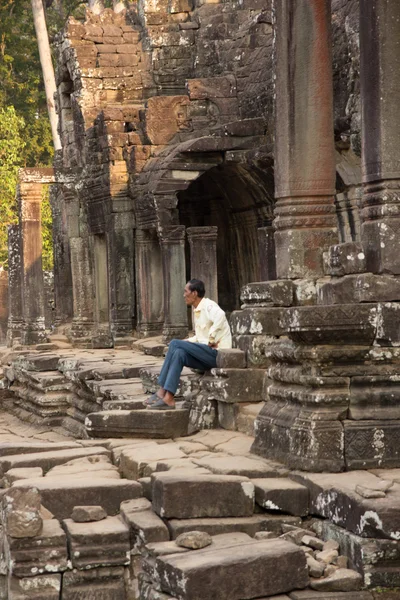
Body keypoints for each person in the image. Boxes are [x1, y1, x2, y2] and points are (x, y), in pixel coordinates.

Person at [146, 279, 232, 410]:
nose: (183, 295)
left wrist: (212, 337)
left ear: (194, 293)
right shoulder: (197, 310)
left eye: (185, 291)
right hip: (205, 354)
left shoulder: (208, 305)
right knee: (179, 352)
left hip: (218, 354)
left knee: (175, 344)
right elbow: (199, 337)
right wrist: (185, 342)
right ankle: (169, 398)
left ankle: (161, 391)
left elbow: (221, 316)